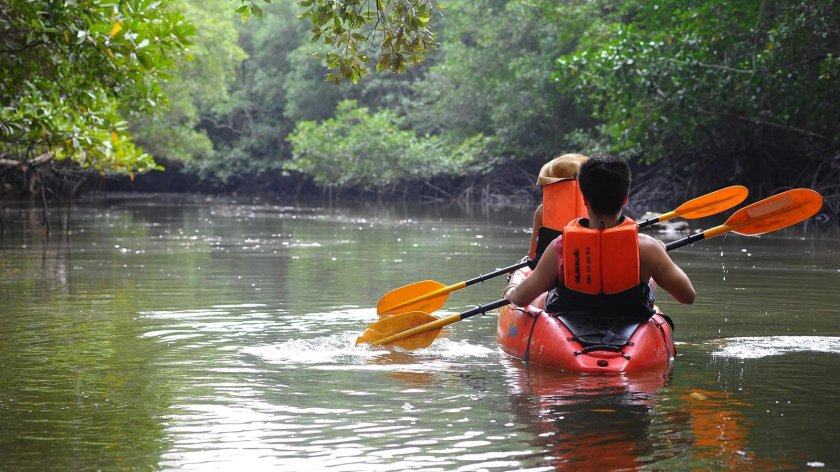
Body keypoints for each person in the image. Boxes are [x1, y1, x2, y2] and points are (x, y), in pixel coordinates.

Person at [507, 155, 695, 317]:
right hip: (628, 322)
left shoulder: (561, 246)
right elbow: (687, 296)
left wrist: (511, 293)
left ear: (585, 199)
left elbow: (522, 298)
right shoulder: (647, 247)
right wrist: (658, 254)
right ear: (625, 199)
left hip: (573, 321)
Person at [527, 153, 589, 259]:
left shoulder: (542, 210)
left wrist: (529, 259)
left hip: (548, 267)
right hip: (582, 263)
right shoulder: (593, 210)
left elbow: (533, 250)